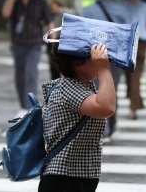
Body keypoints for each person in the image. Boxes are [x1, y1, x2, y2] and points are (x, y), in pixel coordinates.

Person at [39, 43, 115, 192]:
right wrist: (104, 68)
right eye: (92, 56)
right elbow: (107, 107)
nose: (99, 58)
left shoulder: (80, 86)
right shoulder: (70, 89)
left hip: (74, 176)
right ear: (78, 63)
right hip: (64, 178)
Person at [1, 0, 54, 117]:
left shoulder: (39, 2)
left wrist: (53, 43)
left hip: (34, 44)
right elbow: (5, 13)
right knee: (20, 76)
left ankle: (29, 108)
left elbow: (49, 22)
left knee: (30, 74)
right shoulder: (15, 1)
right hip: (18, 44)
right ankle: (23, 105)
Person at [81, 0, 127, 141]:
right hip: (115, 57)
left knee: (94, 92)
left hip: (92, 57)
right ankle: (111, 126)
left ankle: (100, 129)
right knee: (112, 89)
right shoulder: (123, 10)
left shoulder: (87, 11)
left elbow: (82, 35)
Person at [46, 0, 82, 80]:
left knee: (69, 68)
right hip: (53, 34)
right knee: (54, 69)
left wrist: (60, 9)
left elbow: (78, 12)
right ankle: (56, 95)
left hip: (68, 34)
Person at [124, 0, 146, 119]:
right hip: (141, 42)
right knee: (136, 74)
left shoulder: (122, 7)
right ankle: (134, 104)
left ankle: (133, 98)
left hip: (126, 41)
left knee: (128, 73)